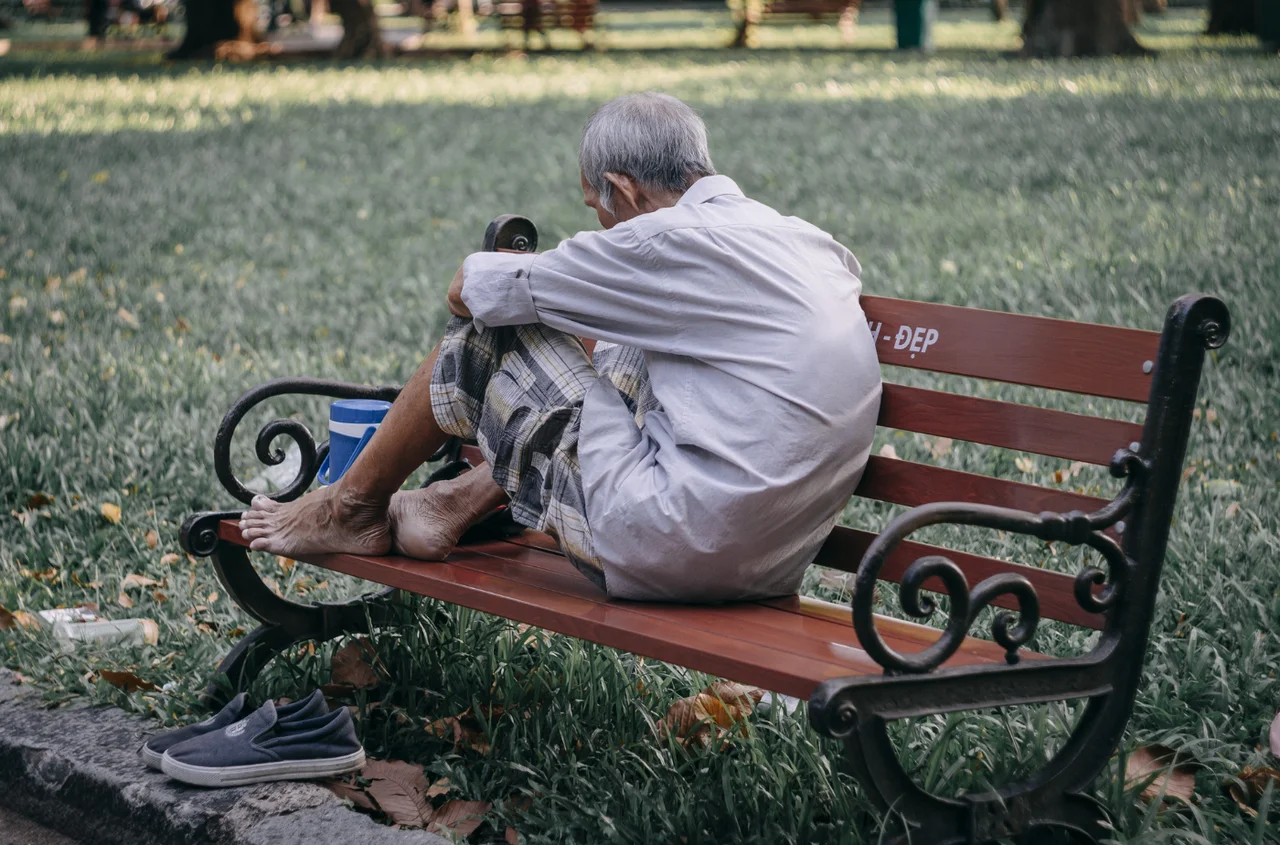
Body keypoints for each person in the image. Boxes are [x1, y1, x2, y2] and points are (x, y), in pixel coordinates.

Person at [240, 92, 881, 603]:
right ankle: (449, 503)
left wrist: (578, 296)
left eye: (594, 205)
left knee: (482, 343)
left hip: (663, 548)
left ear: (622, 190)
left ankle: (351, 508)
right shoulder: (808, 242)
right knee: (629, 344)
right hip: (770, 562)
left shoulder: (658, 241)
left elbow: (469, 290)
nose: (598, 220)